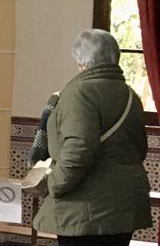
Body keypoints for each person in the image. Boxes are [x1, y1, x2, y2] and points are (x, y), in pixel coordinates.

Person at [32, 29, 151, 245]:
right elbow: (140, 149)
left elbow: (79, 149)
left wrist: (53, 185)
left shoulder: (80, 93)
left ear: (81, 60)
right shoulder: (130, 95)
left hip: (86, 209)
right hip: (125, 204)